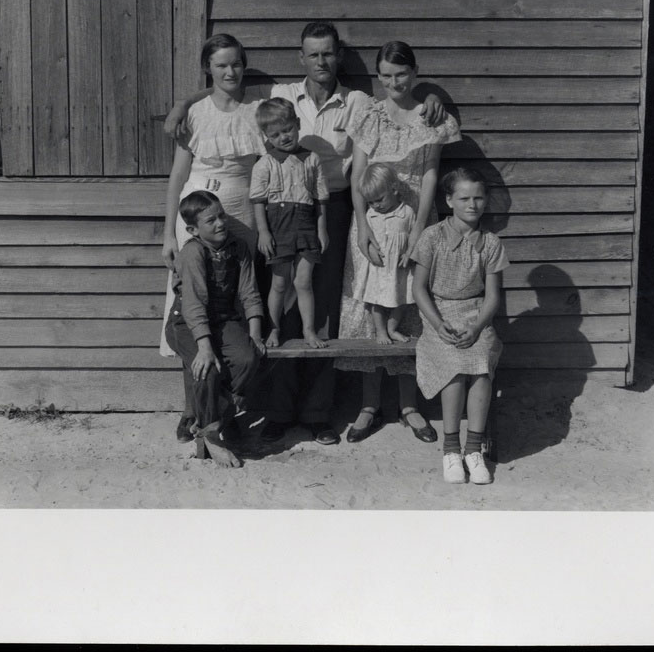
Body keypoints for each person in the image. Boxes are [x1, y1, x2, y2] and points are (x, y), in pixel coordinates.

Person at [164, 22, 447, 446]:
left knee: (325, 310)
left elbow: (401, 101)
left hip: (330, 210)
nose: (321, 62)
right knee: (281, 304)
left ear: (338, 57)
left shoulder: (356, 101)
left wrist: (434, 97)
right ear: (301, 58)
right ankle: (276, 411)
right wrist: (183, 103)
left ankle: (318, 414)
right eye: (312, 54)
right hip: (276, 213)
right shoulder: (281, 94)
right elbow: (225, 93)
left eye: (329, 53)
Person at [335, 40, 461, 444]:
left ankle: (410, 406)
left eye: (401, 74)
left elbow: (429, 175)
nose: (394, 82)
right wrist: (363, 227)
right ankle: (368, 405)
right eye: (386, 76)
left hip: (415, 222)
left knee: (409, 309)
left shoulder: (430, 116)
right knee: (371, 306)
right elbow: (357, 177)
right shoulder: (369, 115)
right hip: (372, 223)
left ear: (416, 72)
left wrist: (421, 229)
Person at [159, 34, 264, 444]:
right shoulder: (197, 114)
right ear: (209, 68)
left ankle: (223, 409)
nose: (230, 72)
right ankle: (193, 411)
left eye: (236, 63)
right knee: (194, 310)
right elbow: (177, 177)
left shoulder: (256, 110)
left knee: (232, 308)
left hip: (240, 211)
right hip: (198, 210)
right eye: (221, 65)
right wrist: (169, 231)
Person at [410, 167, 509, 484]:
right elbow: (418, 289)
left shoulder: (491, 243)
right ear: (449, 200)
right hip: (438, 314)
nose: (473, 204)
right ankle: (451, 450)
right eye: (464, 198)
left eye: (479, 198)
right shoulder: (432, 237)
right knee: (454, 365)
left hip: (476, 315)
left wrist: (478, 327)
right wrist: (438, 324)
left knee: (480, 365)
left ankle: (473, 449)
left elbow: (492, 298)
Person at [164, 191, 266, 468]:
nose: (221, 223)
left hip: (223, 319)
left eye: (222, 215)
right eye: (211, 220)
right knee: (207, 369)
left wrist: (255, 335)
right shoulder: (192, 252)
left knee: (247, 358)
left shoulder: (239, 247)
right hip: (186, 323)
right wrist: (205, 348)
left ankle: (214, 419)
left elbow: (249, 292)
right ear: (193, 229)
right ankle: (212, 436)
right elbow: (194, 303)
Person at [250, 98, 330, 352]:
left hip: (306, 224)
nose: (283, 137)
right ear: (266, 136)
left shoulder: (312, 159)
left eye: (287, 130)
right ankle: (274, 327)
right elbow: (258, 201)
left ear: (297, 124)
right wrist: (263, 231)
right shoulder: (265, 164)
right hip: (279, 226)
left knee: (304, 282)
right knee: (279, 283)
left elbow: (320, 198)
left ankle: (308, 329)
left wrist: (322, 229)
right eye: (275, 134)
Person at [353, 163, 417, 345]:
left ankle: (392, 328)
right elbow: (366, 240)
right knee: (377, 301)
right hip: (379, 268)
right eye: (371, 202)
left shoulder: (407, 213)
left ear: (394, 189)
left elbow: (414, 237)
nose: (376, 205)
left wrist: (409, 255)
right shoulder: (370, 215)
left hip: (400, 267)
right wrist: (372, 253)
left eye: (379, 199)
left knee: (403, 299)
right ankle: (380, 332)